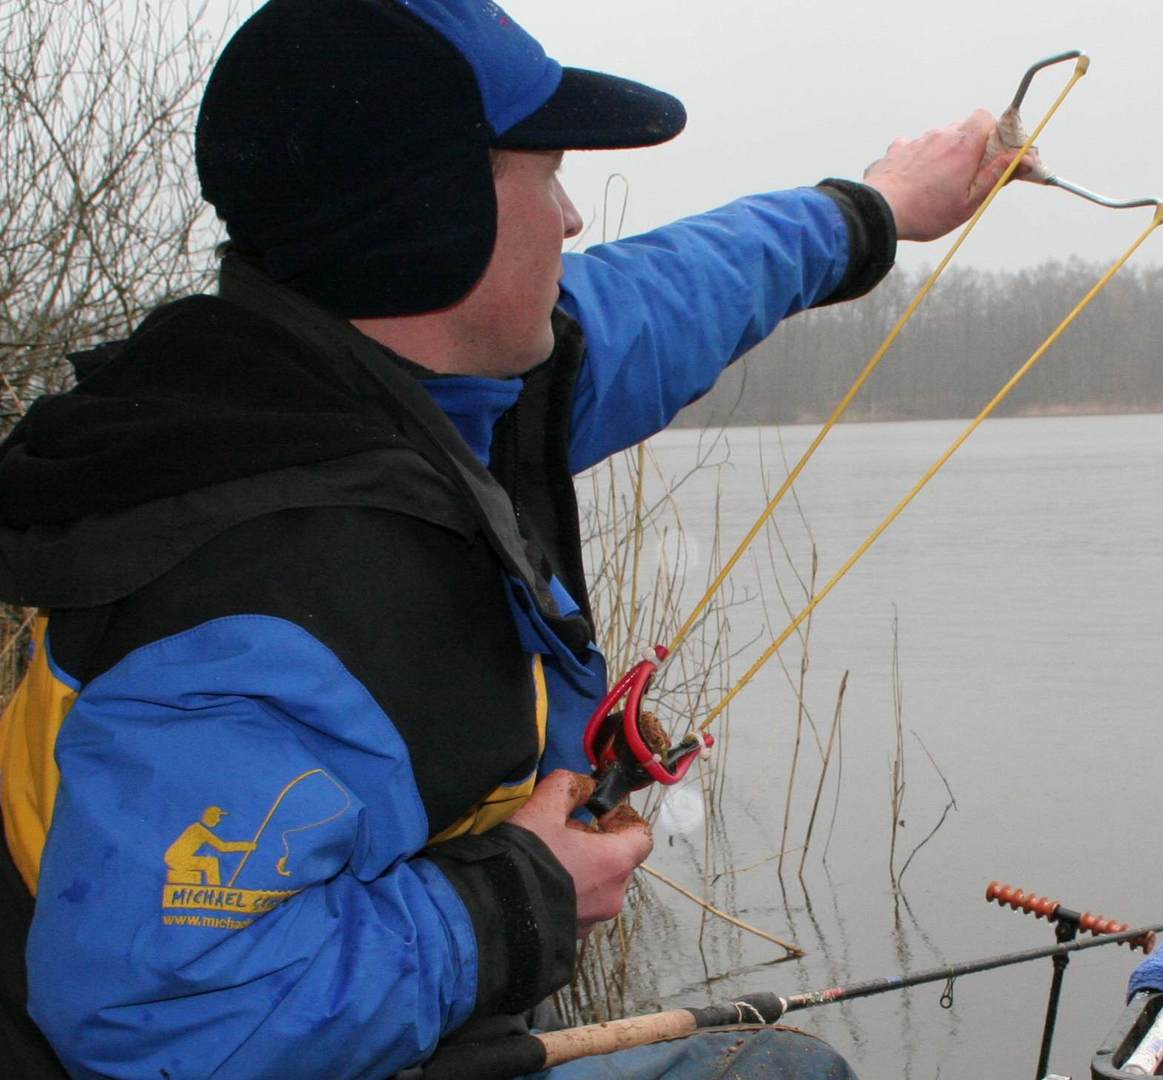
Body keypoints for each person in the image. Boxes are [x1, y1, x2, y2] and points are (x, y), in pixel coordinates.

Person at [0, 1, 1027, 1076]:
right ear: (439, 221)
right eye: (547, 175)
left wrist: (873, 210)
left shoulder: (413, 386)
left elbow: (674, 294)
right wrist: (519, 899)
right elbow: (156, 1022)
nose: (575, 218)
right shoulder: (261, 590)